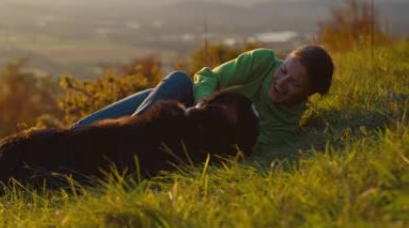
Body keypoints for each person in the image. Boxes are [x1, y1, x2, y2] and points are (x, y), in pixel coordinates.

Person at [73, 45, 334, 146]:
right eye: (284, 70)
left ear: (308, 93)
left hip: (189, 137)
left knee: (93, 144)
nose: (281, 82)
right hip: (181, 101)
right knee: (79, 131)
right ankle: (123, 139)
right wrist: (203, 104)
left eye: (293, 83)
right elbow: (207, 76)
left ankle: (121, 144)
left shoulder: (285, 127)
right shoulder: (263, 62)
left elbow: (242, 146)